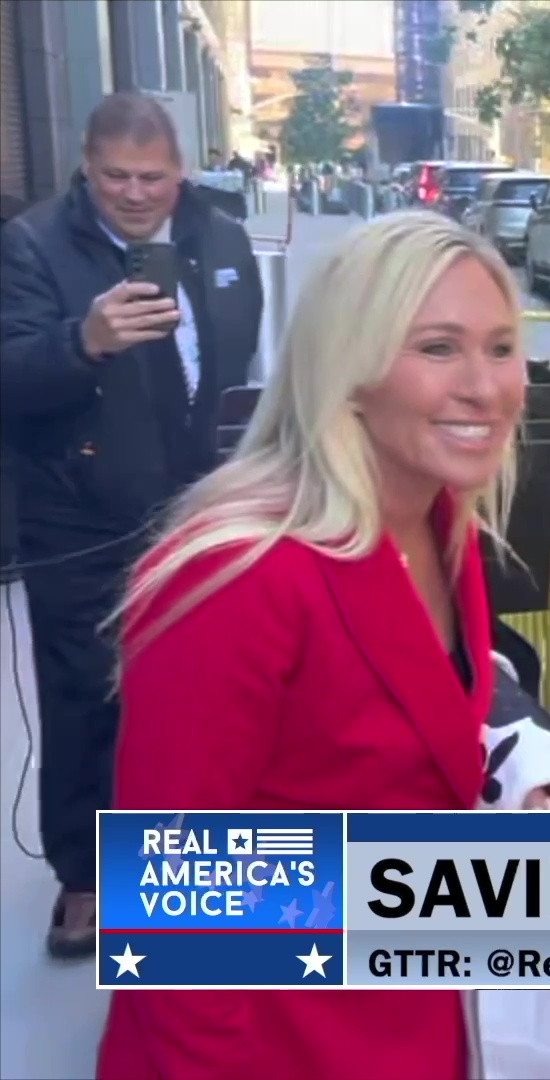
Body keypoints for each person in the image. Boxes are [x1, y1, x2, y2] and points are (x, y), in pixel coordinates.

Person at [95, 210, 550, 1080]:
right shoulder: (236, 579)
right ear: (348, 368)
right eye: (437, 348)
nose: (487, 386)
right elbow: (177, 928)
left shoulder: (443, 524)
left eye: (503, 346)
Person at [0, 91, 263, 958]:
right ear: (85, 165)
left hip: (198, 505)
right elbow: (9, 375)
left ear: (180, 171)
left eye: (152, 177)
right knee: (85, 699)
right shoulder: (33, 245)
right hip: (76, 515)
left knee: (204, 690)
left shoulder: (219, 237)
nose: (134, 193)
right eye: (115, 176)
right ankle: (84, 877)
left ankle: (192, 862)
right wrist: (85, 341)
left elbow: (242, 359)